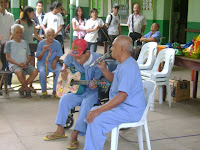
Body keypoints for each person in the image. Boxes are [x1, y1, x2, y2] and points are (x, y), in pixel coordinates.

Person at [83, 35, 146, 150]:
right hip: (123, 107)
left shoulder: (128, 67)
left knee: (96, 118)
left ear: (122, 49)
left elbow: (122, 96)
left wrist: (99, 109)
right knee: (92, 112)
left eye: (113, 46)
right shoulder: (123, 63)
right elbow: (115, 80)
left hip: (130, 110)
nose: (111, 49)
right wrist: (103, 69)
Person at [43, 39, 102, 150]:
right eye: (75, 57)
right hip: (77, 89)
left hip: (91, 92)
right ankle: (60, 130)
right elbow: (67, 62)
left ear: (87, 52)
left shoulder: (97, 59)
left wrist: (96, 83)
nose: (76, 60)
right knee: (65, 99)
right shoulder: (72, 55)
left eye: (79, 58)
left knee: (86, 104)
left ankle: (75, 135)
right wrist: (65, 70)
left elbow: (101, 79)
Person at [4, 24, 38, 98]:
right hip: (14, 65)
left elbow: (28, 55)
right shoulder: (9, 43)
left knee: (35, 71)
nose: (19, 34)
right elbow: (8, 58)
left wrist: (26, 63)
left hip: (25, 64)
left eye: (21, 32)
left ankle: (22, 88)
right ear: (13, 33)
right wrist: (18, 64)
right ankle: (27, 89)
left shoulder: (25, 42)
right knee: (19, 72)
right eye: (17, 32)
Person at [15, 6, 43, 93]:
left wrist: (44, 41)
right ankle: (24, 86)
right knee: (23, 67)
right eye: (32, 13)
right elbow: (14, 35)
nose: (33, 15)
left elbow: (36, 35)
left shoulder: (33, 22)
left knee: (31, 65)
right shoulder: (18, 22)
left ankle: (30, 85)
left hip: (30, 46)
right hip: (21, 47)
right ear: (28, 13)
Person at [36, 28, 63, 97]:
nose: (51, 37)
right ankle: (44, 91)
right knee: (42, 72)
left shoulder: (57, 43)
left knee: (59, 71)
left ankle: (55, 90)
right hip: (42, 62)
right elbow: (38, 58)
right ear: (45, 35)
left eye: (52, 35)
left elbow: (58, 54)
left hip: (52, 62)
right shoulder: (41, 44)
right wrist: (43, 51)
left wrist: (55, 61)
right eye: (49, 35)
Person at [0, 0, 14, 90]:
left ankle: (8, 84)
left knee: (9, 63)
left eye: (5, 2)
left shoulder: (10, 16)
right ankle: (0, 86)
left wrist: (8, 41)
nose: (3, 4)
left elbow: (12, 31)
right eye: (1, 2)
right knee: (1, 65)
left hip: (8, 43)